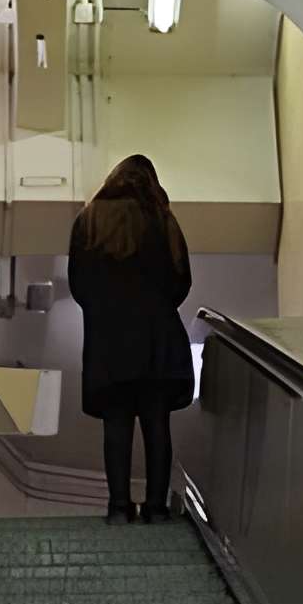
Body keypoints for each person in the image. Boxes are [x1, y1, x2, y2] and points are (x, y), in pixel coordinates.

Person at [67, 153, 194, 523]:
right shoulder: (163, 219)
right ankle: (155, 508)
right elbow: (182, 280)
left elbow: (79, 283)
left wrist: (106, 310)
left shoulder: (88, 220)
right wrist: (154, 304)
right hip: (157, 339)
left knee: (116, 424)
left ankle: (119, 508)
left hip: (109, 341)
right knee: (157, 425)